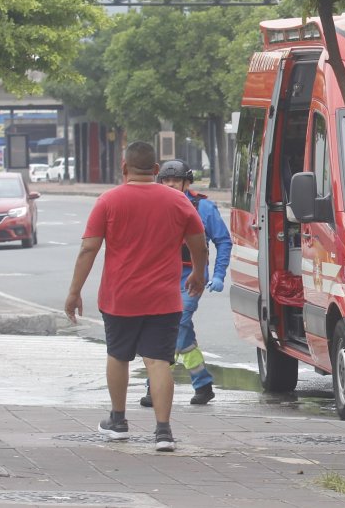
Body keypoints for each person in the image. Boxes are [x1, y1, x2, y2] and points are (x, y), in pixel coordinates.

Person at [65, 142, 207, 453]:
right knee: (158, 361)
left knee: (118, 356)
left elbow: (88, 248)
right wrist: (198, 274)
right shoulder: (178, 201)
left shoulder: (109, 200)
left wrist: (74, 292)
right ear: (156, 170)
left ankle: (118, 422)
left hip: (120, 297)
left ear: (124, 168)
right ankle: (163, 432)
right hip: (164, 298)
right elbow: (199, 243)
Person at [139, 159, 232, 408]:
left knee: (174, 324)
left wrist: (218, 274)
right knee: (177, 330)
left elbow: (223, 240)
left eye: (176, 180)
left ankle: (154, 386)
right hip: (159, 278)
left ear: (187, 183)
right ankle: (203, 384)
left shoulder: (204, 208)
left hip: (191, 278)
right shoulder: (151, 206)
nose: (171, 184)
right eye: (166, 180)